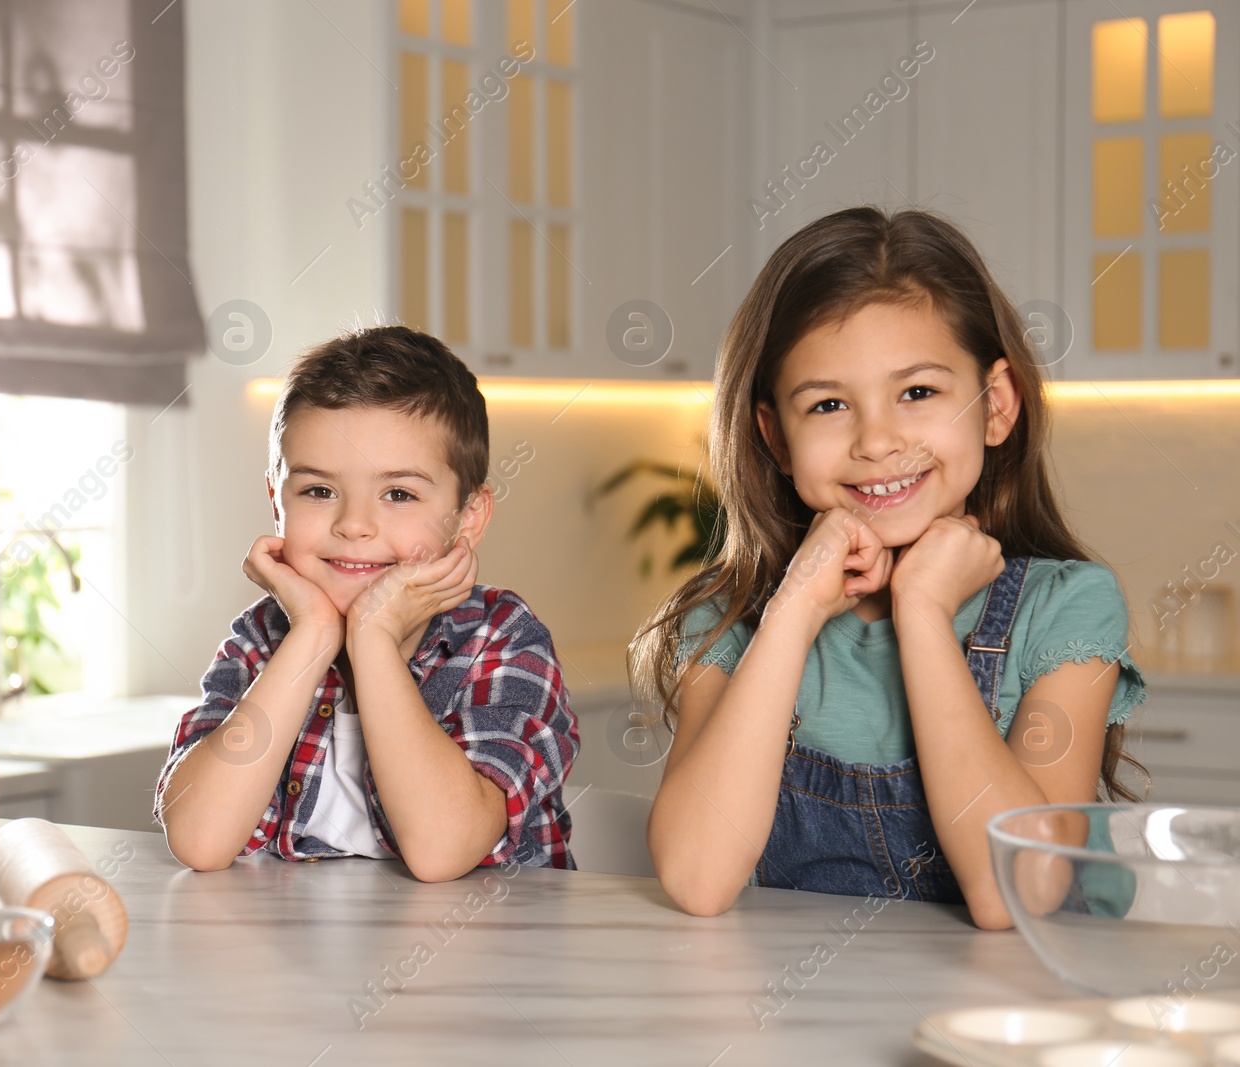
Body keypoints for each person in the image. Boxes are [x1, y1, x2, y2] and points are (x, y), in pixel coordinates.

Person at [639, 207, 1146, 928]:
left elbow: (1018, 892)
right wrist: (792, 611)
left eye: (917, 392)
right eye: (829, 403)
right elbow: (698, 875)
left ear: (995, 405)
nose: (876, 440)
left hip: (1020, 1025)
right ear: (775, 436)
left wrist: (924, 613)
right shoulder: (730, 619)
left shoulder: (1066, 609)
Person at [155, 325, 578, 882]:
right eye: (318, 491)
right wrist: (311, 638)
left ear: (468, 517)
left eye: (399, 494)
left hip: (480, 958)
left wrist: (373, 639)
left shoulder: (503, 638)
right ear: (276, 502)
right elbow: (200, 840)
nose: (354, 525)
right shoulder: (264, 639)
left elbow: (442, 851)